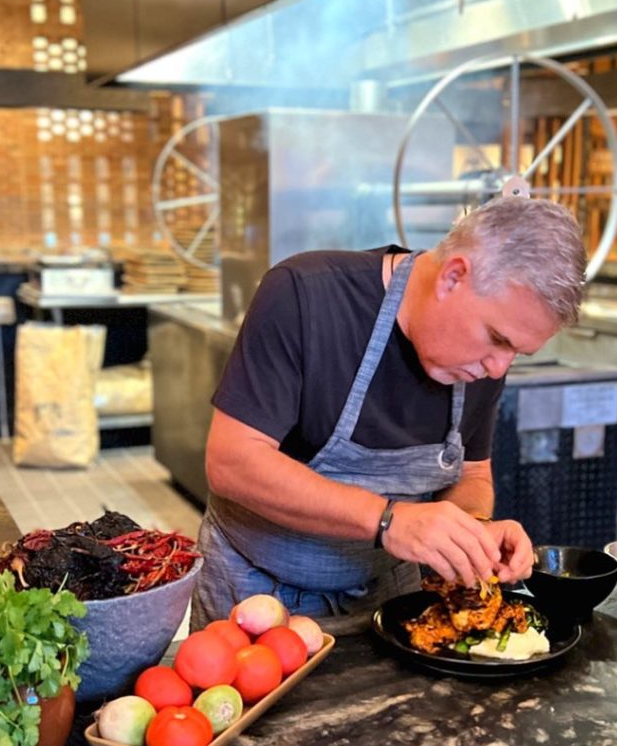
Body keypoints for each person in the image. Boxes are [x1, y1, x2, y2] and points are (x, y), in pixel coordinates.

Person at [191, 196, 586, 626]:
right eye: (498, 339)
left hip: (390, 601)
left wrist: (473, 530)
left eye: (517, 353)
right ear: (453, 276)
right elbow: (232, 461)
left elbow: (472, 473)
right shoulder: (304, 295)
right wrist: (387, 520)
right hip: (257, 597)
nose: (498, 368)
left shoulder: (482, 362)